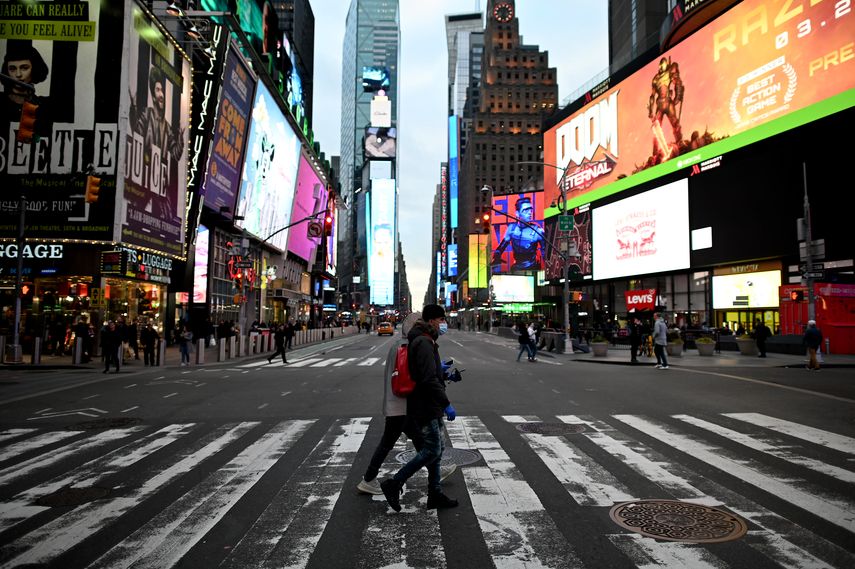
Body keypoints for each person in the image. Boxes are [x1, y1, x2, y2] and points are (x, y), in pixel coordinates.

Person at [357, 312, 456, 495]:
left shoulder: (399, 344)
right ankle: (379, 480)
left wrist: (438, 370)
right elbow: (413, 377)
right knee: (415, 444)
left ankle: (433, 472)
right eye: (419, 323)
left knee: (417, 442)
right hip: (403, 404)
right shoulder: (407, 345)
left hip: (398, 404)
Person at [381, 304, 458, 511]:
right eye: (442, 319)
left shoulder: (425, 339)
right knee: (432, 449)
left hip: (428, 403)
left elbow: (429, 372)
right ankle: (394, 482)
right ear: (432, 320)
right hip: (426, 405)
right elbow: (427, 379)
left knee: (437, 450)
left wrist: (444, 373)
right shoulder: (424, 342)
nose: (444, 323)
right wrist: (447, 403)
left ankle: (435, 494)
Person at [128, 65, 184, 219]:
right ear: (153, 95)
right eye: (158, 90)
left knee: (168, 218)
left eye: (162, 90)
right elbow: (136, 131)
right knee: (134, 213)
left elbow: (176, 154)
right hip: (145, 178)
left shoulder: (167, 127)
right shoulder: (147, 114)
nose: (161, 94)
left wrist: (180, 139)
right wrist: (133, 108)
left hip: (159, 183)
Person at [491, 196, 545, 271]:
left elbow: (545, 255)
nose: (529, 213)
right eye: (525, 210)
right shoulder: (511, 228)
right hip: (516, 270)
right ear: (517, 213)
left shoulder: (538, 231)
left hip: (532, 270)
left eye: (530, 210)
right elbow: (501, 247)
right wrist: (496, 257)